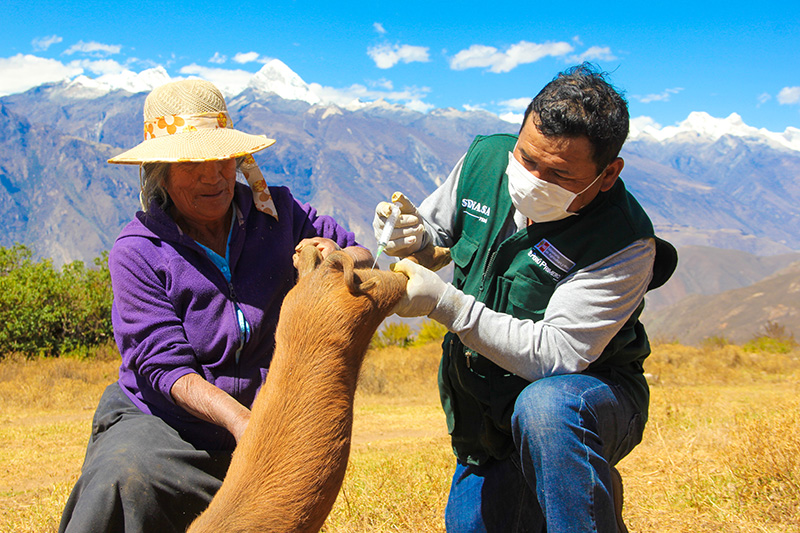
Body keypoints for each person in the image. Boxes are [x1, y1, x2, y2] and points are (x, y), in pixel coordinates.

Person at [374, 63, 677, 532]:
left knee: (548, 409)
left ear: (609, 173)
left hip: (587, 400)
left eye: (558, 174)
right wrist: (409, 236)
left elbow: (557, 356)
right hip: (485, 415)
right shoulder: (486, 160)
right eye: (526, 158)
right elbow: (438, 236)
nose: (531, 179)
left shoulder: (625, 243)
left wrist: (444, 303)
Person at [59, 79, 371, 533]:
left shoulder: (278, 213)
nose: (213, 176)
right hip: (169, 428)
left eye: (222, 159)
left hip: (261, 420)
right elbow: (165, 368)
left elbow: (361, 254)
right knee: (122, 477)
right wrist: (248, 426)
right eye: (192, 163)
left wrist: (338, 257)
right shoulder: (138, 250)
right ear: (160, 172)